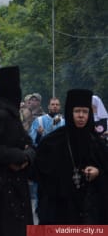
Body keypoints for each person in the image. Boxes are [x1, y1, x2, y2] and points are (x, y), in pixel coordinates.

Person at [35, 89, 108, 224]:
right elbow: (41, 175)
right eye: (77, 111)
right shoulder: (52, 142)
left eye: (85, 112)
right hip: (61, 211)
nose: (81, 116)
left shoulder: (97, 143)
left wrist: (98, 172)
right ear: (70, 112)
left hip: (90, 212)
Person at [0, 66, 35, 236]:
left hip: (16, 186)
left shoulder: (11, 113)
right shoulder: (2, 114)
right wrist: (18, 156)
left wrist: (27, 156)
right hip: (3, 189)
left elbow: (27, 142)